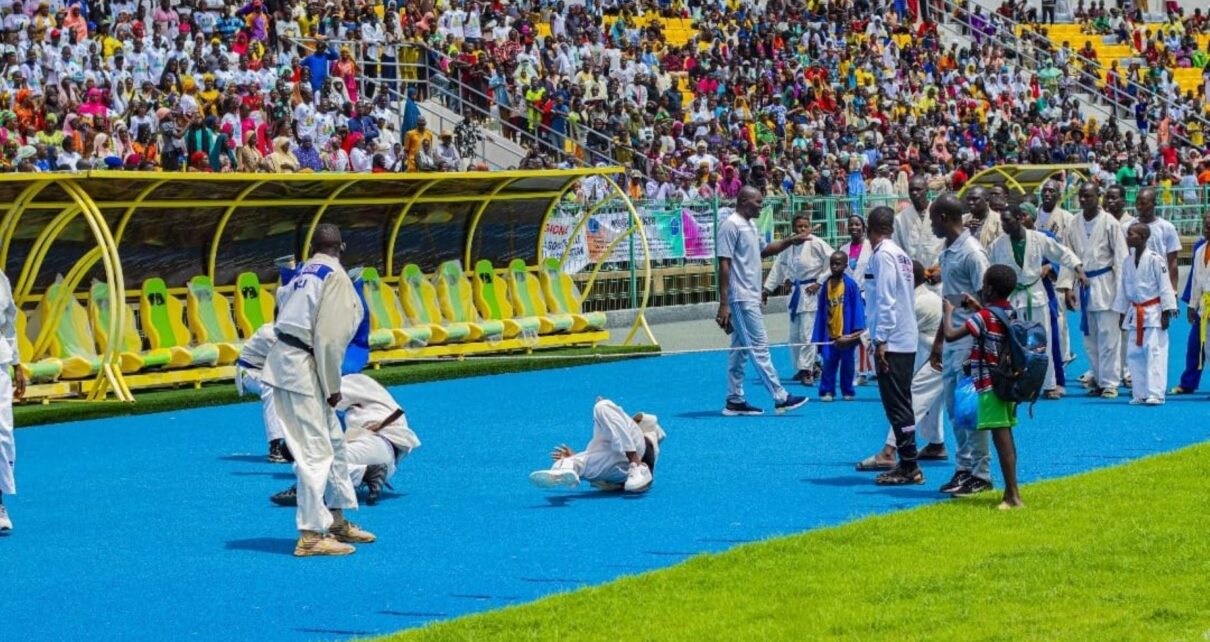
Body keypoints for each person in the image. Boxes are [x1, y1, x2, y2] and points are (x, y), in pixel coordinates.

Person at [262, 224, 371, 557]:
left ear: (314, 246)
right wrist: (332, 386)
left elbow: (282, 309)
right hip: (303, 366)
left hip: (291, 358)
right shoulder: (335, 278)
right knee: (315, 451)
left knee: (334, 443)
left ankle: (336, 519)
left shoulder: (301, 271)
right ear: (343, 246)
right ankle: (310, 534)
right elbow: (329, 338)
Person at [839, 206, 921, 485]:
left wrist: (881, 340)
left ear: (870, 228)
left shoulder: (883, 255)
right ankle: (908, 461)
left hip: (894, 340)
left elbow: (886, 300)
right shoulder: (901, 254)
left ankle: (909, 465)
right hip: (904, 336)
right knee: (901, 402)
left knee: (896, 404)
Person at [715, 186, 809, 416]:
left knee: (740, 350)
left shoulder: (750, 225)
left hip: (750, 295)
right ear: (744, 201)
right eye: (758, 202)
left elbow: (764, 250)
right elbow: (724, 264)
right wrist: (724, 303)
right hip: (740, 297)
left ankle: (734, 399)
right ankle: (780, 396)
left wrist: (791, 240)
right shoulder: (730, 225)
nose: (761, 205)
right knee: (759, 346)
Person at [938, 265, 1025, 510]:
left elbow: (952, 335)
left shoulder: (983, 317)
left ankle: (1012, 496)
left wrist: (948, 312)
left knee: (1001, 438)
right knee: (1005, 435)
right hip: (1007, 382)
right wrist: (979, 309)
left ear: (988, 288)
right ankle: (1011, 492)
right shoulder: (1009, 311)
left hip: (989, 384)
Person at [271, 374, 421, 507]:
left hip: (377, 446)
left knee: (305, 463)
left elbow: (322, 401)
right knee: (329, 464)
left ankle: (305, 488)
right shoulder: (368, 397)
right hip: (383, 459)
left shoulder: (351, 381)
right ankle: (363, 473)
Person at [928, 194, 993, 497]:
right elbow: (949, 301)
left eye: (933, 219)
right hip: (953, 338)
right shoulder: (947, 251)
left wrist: (978, 341)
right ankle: (964, 468)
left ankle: (981, 472)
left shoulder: (972, 253)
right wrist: (939, 340)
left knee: (971, 408)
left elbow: (987, 302)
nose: (930, 225)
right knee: (955, 410)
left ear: (944, 217)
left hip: (970, 339)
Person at [857, 260, 947, 471]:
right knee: (931, 401)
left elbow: (891, 328)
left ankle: (890, 450)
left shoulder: (919, 302)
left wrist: (852, 339)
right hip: (936, 354)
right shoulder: (920, 297)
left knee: (912, 398)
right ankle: (936, 444)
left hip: (939, 355)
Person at [988, 204, 1086, 399]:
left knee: (1044, 341)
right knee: (1014, 343)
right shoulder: (998, 244)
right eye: (1002, 222)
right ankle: (1018, 383)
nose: (1004, 225)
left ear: (1019, 217)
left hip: (1035, 294)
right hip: (1012, 297)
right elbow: (988, 267)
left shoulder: (1038, 239)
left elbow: (1062, 253)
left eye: (1007, 221)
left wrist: (1078, 269)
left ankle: (1049, 385)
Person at [529, 398, 665, 493]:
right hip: (620, 471)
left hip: (637, 456)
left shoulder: (647, 435)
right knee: (571, 462)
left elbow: (645, 421)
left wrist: (610, 412)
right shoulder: (614, 433)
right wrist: (576, 455)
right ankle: (562, 470)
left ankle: (635, 463)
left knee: (602, 406)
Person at [1070, 183, 1129, 398]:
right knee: (1090, 338)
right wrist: (1068, 287)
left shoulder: (1110, 223)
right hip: (1084, 284)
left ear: (1098, 197)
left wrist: (1123, 295)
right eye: (1081, 196)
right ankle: (1097, 377)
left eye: (1088, 195)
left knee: (1109, 337)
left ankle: (1111, 382)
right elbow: (1069, 257)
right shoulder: (1074, 222)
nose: (1084, 199)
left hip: (1106, 284)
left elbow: (1122, 260)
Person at [762, 214, 834, 385]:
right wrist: (766, 289)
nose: (801, 229)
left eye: (804, 226)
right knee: (794, 336)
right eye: (798, 226)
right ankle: (804, 367)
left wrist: (820, 281)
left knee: (807, 334)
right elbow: (779, 267)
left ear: (809, 227)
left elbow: (834, 260)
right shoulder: (789, 244)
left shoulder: (816, 242)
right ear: (793, 227)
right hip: (795, 293)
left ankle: (807, 369)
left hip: (811, 293)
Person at [1112, 223, 1179, 405]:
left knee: (1155, 353)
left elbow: (1165, 286)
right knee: (1134, 354)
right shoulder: (1127, 261)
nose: (1127, 237)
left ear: (1142, 237)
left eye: (1131, 234)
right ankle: (1140, 393)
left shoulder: (1156, 259)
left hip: (1154, 312)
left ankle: (1156, 393)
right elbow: (1124, 289)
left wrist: (1166, 312)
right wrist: (1121, 313)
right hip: (1135, 313)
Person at [812, 251, 865, 401]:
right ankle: (827, 391)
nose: (834, 267)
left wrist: (857, 331)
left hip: (846, 333)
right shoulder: (826, 285)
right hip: (829, 333)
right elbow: (821, 310)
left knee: (848, 364)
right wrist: (818, 334)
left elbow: (857, 309)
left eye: (838, 264)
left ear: (845, 265)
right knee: (828, 363)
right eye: (832, 264)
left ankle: (848, 390)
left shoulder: (851, 285)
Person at [236, 323, 292, 463]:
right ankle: (276, 444)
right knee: (272, 387)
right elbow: (290, 362)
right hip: (251, 372)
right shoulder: (270, 333)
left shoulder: (297, 330)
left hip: (273, 372)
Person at [1036, 179, 1078, 365]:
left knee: (1059, 317)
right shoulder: (1033, 215)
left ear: (1059, 196)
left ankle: (1062, 356)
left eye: (1052, 191)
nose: (1047, 194)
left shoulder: (1067, 218)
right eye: (1045, 191)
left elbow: (1070, 250)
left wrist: (1068, 281)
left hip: (1058, 273)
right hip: (1035, 275)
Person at [0, 268, 27, 531]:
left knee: (2, 433)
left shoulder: (1, 279)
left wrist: (17, 363)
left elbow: (9, 322)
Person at [1173, 216, 1210, 395]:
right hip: (1203, 304)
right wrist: (1191, 305)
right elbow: (1196, 280)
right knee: (1195, 345)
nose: (1207, 226)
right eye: (1206, 223)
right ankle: (1188, 383)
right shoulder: (1200, 249)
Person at [893, 176, 942, 287]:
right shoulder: (900, 218)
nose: (915, 193)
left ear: (927, 190)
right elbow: (898, 250)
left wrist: (941, 270)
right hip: (913, 277)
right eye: (911, 190)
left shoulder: (940, 214)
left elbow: (948, 246)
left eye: (918, 189)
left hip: (937, 275)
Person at [1133, 187, 1181, 292]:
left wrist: (1173, 291)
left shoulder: (1167, 228)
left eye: (1144, 203)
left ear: (1154, 203)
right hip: (1136, 285)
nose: (1140, 207)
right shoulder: (1128, 227)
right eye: (1138, 203)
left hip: (1160, 286)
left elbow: (1172, 263)